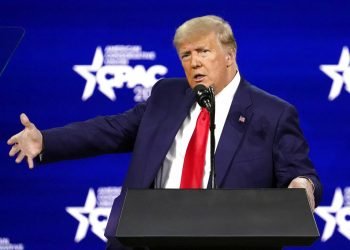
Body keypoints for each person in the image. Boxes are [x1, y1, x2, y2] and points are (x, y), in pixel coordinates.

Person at [8, 15, 321, 249]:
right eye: (186, 55)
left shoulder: (273, 113)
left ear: (230, 56)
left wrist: (301, 185)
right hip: (144, 239)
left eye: (203, 51)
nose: (194, 62)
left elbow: (301, 174)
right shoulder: (166, 96)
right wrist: (46, 140)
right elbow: (111, 130)